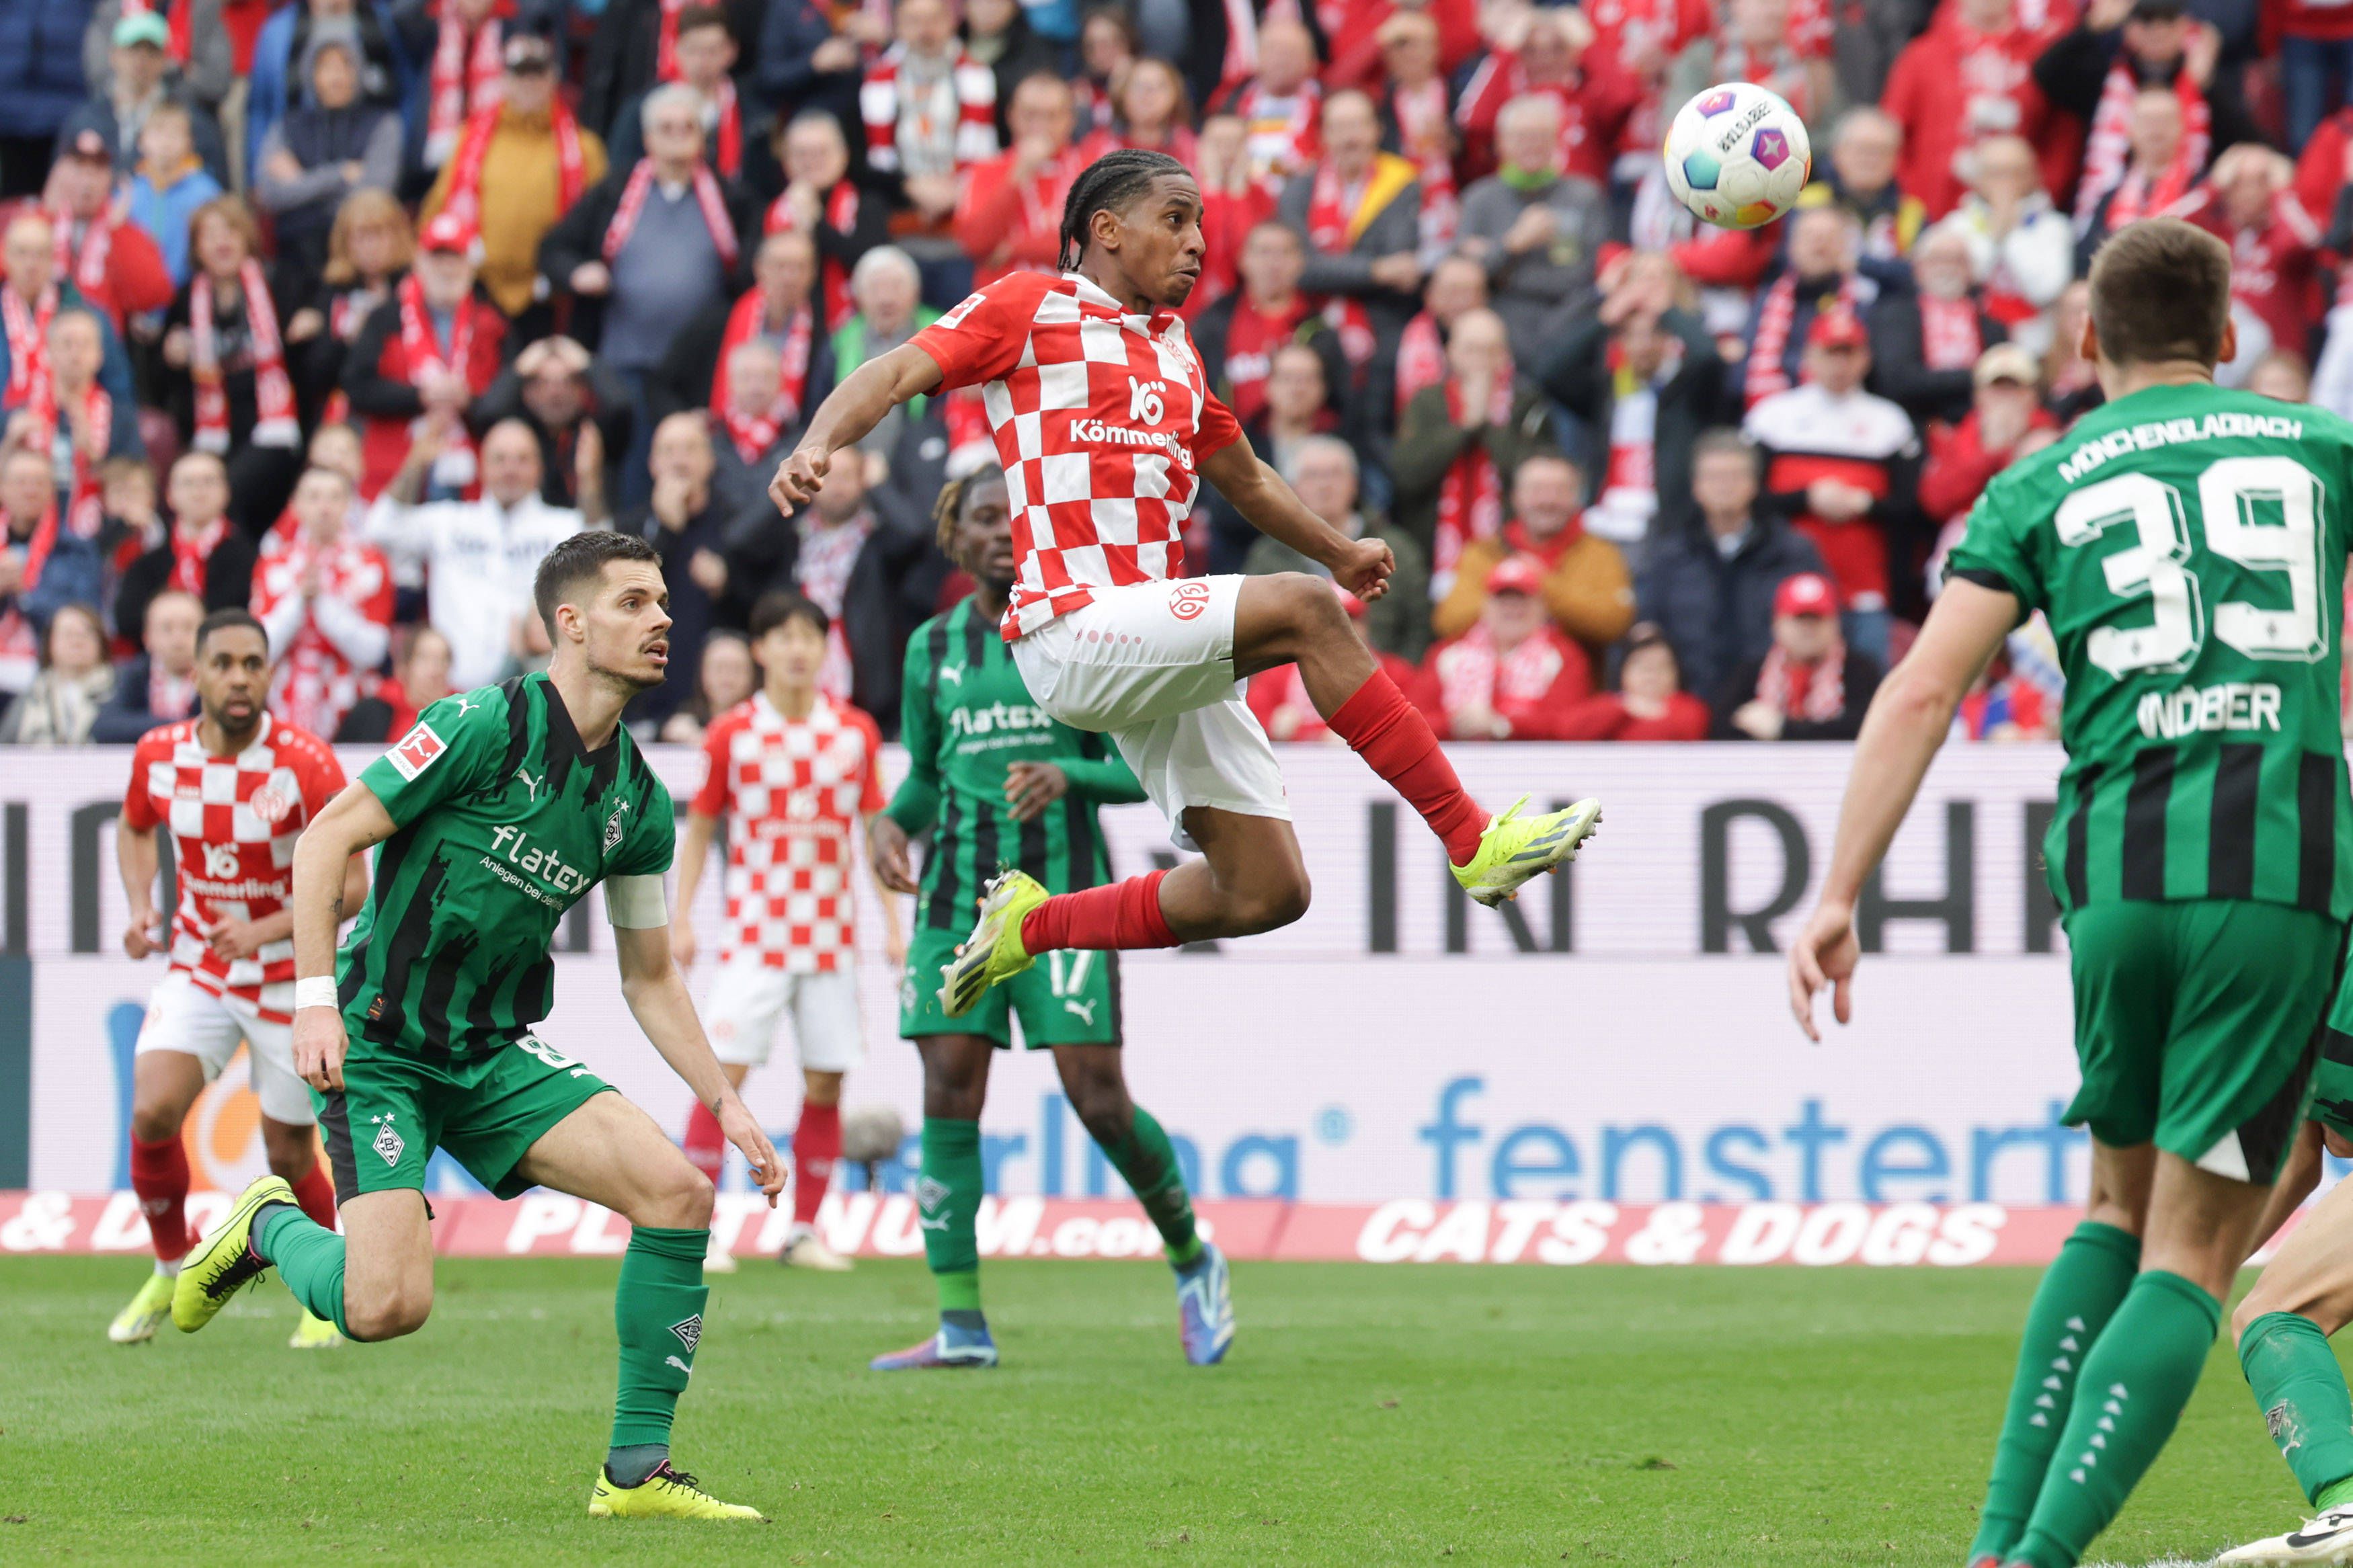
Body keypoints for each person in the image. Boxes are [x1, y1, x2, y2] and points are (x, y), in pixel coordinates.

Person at [1786, 218, 2353, 1568]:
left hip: (2107, 870)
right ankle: (2032, 1560)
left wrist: (1835, 890)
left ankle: (1995, 1542)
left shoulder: (2034, 485)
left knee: (2110, 1204)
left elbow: (1922, 686)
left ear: (2084, 341)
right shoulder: (2322, 450)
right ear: (2229, 341)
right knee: (2194, 1250)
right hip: (2271, 867)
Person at [768, 148, 1602, 1020]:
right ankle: (1474, 841)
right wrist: (819, 442)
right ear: (1106, 230)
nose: (1200, 242)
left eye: (1201, 222)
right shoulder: (1031, 306)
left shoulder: (1174, 352)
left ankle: (1031, 925)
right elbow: (897, 370)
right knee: (1305, 608)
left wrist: (1340, 550)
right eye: (1176, 219)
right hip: (1073, 626)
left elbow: (1246, 480)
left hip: (1152, 642)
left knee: (1266, 891)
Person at [171, 531, 782, 1522]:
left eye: (663, 601)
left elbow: (652, 975)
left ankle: (634, 1472)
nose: (663, 618)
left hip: (492, 1051)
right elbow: (328, 837)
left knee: (679, 1194)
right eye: (634, 602)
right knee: (385, 1309)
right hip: (381, 1043)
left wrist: (726, 1099)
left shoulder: (637, 801)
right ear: (570, 623)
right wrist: (315, 999)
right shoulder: (475, 726)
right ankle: (270, 1226)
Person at [865, 465, 1224, 1368]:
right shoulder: (931, 647)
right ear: (955, 535)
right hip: (955, 903)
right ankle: (961, 1325)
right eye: (983, 519)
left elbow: (1140, 771)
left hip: (1065, 901)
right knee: (948, 1088)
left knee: (1096, 1097)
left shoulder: (1082, 636)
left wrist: (1072, 774)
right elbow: (925, 776)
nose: (999, 532)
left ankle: (1192, 1254)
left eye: (1012, 518)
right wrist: (888, 822)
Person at [108, 608, 363, 1348]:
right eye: (225, 662)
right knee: (154, 1108)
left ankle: (324, 1292)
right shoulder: (158, 754)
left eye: (254, 662)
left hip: (291, 977)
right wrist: (137, 904)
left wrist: (262, 927)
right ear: (197, 672)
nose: (241, 676)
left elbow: (355, 884)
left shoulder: (306, 762)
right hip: (202, 965)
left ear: (270, 672)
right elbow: (133, 824)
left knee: (286, 1153)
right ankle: (166, 1263)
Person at [670, 588, 900, 1274]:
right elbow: (702, 827)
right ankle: (699, 1230)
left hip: (830, 941)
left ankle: (802, 1230)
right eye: (784, 636)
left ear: (824, 648)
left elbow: (873, 833)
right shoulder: (733, 733)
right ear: (760, 649)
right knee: (720, 1080)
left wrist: (892, 924)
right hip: (756, 936)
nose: (799, 648)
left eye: (810, 635)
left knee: (825, 1083)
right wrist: (680, 915)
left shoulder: (853, 731)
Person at [1743, 309, 1921, 661]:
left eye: (1849, 353)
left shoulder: (1889, 422)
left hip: (1866, 589)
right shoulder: (1773, 417)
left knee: (1867, 690)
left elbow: (1913, 507)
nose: (1839, 365)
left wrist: (1865, 504)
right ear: (1809, 356)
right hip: (1786, 590)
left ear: (1865, 358)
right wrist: (1806, 498)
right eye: (1830, 353)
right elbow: (1749, 500)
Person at [365, 418, 583, 690]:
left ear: (539, 468)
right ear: (482, 466)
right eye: (500, 459)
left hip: (536, 694)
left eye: (522, 459)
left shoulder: (566, 526)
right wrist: (415, 464)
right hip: (455, 696)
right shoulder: (449, 522)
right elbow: (379, 529)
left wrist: (590, 479)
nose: (510, 469)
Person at [1536, 250, 1722, 567]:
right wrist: (1604, 317)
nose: (1643, 344)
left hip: (1668, 528)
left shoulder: (1687, 386)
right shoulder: (1609, 388)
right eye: (1631, 335)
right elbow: (1550, 371)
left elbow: (1708, 358)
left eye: (1653, 334)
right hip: (1606, 521)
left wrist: (1667, 311)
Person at [418, 30, 605, 323]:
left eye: (538, 75)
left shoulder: (584, 147)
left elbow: (598, 224)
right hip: (479, 288)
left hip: (551, 295)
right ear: (504, 80)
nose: (529, 84)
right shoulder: (470, 138)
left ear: (553, 79)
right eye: (520, 75)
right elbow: (438, 209)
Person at [1638, 429, 1830, 703]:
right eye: (1714, 477)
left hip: (1774, 705)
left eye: (1734, 476)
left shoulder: (1793, 552)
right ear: (1696, 487)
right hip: (1689, 705)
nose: (1724, 486)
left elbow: (1826, 631)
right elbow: (1648, 631)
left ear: (1754, 485)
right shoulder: (1669, 557)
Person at [1391, 307, 1558, 599]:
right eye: (1471, 349)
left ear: (1504, 356)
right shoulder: (1427, 402)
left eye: (1489, 350)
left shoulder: (1527, 405)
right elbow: (1408, 473)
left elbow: (1528, 477)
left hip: (1506, 552)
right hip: (1432, 552)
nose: (1480, 360)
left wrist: (1486, 425)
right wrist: (1465, 428)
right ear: (1450, 353)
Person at [343, 210, 508, 499]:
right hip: (395, 469)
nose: (446, 268)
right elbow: (357, 386)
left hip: (474, 478)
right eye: (437, 258)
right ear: (419, 261)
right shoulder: (386, 318)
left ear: (471, 265)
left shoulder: (493, 321)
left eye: (455, 258)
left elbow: (509, 394)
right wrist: (420, 396)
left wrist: (469, 400)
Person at [160, 198, 303, 530]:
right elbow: (165, 380)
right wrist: (172, 357)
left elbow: (306, 360)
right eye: (210, 235)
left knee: (223, 493)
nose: (221, 242)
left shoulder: (278, 282)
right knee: (198, 490)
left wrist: (307, 325)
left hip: (273, 430)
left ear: (247, 239)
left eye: (230, 232)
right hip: (213, 432)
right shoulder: (185, 300)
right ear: (196, 248)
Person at [1244, 436, 1430, 661]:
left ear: (1354, 484)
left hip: (1385, 678)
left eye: (1335, 473)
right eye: (1312, 475)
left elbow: (1419, 627)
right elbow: (1251, 633)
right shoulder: (1269, 556)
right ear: (1292, 488)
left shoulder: (1393, 548)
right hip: (1287, 687)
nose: (1324, 485)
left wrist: (1402, 680)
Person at [1433, 452, 1636, 660]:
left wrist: (1542, 582)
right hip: (1485, 680)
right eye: (1537, 490)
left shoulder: (1600, 554)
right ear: (1515, 497)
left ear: (1578, 498)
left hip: (1571, 684)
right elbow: (1448, 621)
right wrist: (1506, 586)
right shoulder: (1484, 552)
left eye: (1560, 491)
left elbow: (1615, 623)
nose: (1548, 500)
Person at [1880, 0, 2059, 220]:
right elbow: (1891, 135)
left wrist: (2044, 191)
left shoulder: (2044, 54)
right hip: (1933, 212)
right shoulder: (1921, 55)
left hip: (2020, 215)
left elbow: (2063, 136)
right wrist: (1913, 196)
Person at [1453, 95, 1608, 349]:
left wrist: (1500, 270)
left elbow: (1584, 277)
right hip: (1498, 327)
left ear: (1556, 140)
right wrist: (1513, 244)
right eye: (1521, 137)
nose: (1531, 145)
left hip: (1568, 323)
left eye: (1540, 136)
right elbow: (1466, 278)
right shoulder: (1479, 199)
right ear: (1501, 143)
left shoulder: (1584, 196)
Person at [250, 465, 393, 739]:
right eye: (314, 497)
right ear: (295, 505)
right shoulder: (273, 562)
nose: (324, 507)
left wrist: (322, 604)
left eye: (334, 497)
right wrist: (298, 601)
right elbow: (260, 649)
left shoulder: (370, 563)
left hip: (352, 708)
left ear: (349, 504)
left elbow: (373, 652)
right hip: (280, 705)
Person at [251, 31, 400, 276]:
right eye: (326, 67)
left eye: (345, 65)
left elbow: (376, 192)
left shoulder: (383, 124)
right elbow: (269, 193)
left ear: (359, 71)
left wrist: (301, 182)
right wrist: (340, 175)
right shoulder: (287, 126)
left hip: (362, 262)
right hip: (296, 260)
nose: (336, 77)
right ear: (311, 74)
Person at [1421, 552, 1594, 740]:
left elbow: (1567, 724)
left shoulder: (1564, 656)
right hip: (1455, 762)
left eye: (1522, 599)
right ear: (1485, 604)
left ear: (1542, 606)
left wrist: (1503, 726)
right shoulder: (1449, 654)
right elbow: (1416, 720)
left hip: (1532, 765)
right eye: (1502, 598)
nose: (1512, 608)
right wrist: (1455, 725)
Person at [953, 73, 1085, 292]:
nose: (1040, 126)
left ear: (1070, 120)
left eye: (1052, 116)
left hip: (1072, 306)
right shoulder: (986, 169)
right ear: (1011, 115)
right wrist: (1018, 176)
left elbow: (1090, 248)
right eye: (1030, 115)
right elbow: (974, 243)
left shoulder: (1090, 169)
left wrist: (1014, 247)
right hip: (1002, 304)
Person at [1712, 569, 1882, 739]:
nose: (1808, 630)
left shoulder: (1860, 672)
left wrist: (1783, 729)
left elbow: (1867, 726)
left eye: (1817, 619)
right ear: (1777, 624)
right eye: (1799, 619)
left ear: (1836, 624)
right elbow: (1720, 726)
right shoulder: (1751, 673)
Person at [1870, 222, 2009, 429]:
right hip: (1913, 425)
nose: (1947, 267)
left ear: (1971, 270)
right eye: (1936, 259)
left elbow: (2002, 382)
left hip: (1979, 427)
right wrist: (1975, 376)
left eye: (1957, 260)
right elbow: (1898, 381)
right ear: (1918, 268)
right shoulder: (1893, 315)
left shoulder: (1993, 322)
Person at [761, 110, 889, 335]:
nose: (811, 162)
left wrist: (815, 223)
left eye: (821, 153)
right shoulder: (770, 212)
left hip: (852, 330)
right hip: (787, 330)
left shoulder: (867, 206)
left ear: (844, 155)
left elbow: (870, 263)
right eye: (801, 154)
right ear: (787, 161)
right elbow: (749, 274)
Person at [114, 452, 257, 643]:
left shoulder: (247, 558)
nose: (199, 491)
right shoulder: (148, 560)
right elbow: (126, 619)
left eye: (209, 482)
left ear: (226, 492)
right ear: (170, 496)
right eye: (188, 483)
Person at [601, 7, 746, 181]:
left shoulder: (749, 110)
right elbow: (619, 171)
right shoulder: (643, 108)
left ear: (731, 52)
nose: (703, 61)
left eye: (712, 51)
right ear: (676, 50)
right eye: (693, 49)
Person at [125, 101, 225, 290]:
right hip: (138, 296)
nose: (166, 142)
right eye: (158, 133)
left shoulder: (207, 193)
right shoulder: (128, 193)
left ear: (190, 143)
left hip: (189, 294)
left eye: (175, 134)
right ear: (141, 141)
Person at [1556, 622, 1710, 741]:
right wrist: (1625, 708)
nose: (1652, 674)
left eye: (1661, 666)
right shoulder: (1610, 705)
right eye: (1642, 665)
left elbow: (1690, 726)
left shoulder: (1689, 709)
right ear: (1623, 673)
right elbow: (1568, 729)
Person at [92, 585, 202, 740]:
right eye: (167, 628)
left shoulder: (219, 676)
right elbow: (104, 726)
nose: (178, 640)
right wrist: (183, 728)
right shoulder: (133, 674)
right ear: (147, 637)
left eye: (188, 628)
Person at [0, 600, 112, 743]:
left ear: (101, 643)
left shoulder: (121, 692)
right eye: (68, 634)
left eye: (86, 634)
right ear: (50, 643)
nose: (77, 642)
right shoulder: (31, 697)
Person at [333, 622, 452, 742]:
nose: (435, 669)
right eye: (424, 659)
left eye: (443, 660)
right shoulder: (372, 711)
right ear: (404, 667)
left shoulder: (459, 715)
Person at [657, 627, 752, 745]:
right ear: (702, 672)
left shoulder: (762, 722)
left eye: (736, 669)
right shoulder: (687, 719)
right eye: (719, 668)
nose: (726, 678)